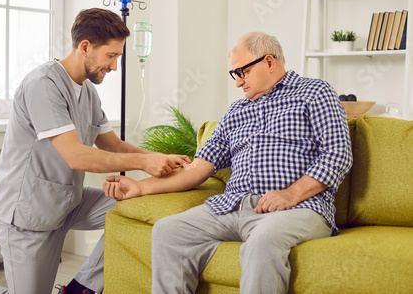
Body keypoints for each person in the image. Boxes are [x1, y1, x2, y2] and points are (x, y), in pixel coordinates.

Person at [0, 8, 190, 294]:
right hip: (29, 213)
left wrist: (159, 160)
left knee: (143, 208)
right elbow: (76, 156)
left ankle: (81, 288)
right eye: (111, 56)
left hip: (70, 201)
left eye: (118, 57)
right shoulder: (44, 84)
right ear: (85, 47)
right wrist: (145, 161)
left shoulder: (88, 92)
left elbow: (112, 144)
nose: (115, 67)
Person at [103, 32, 353, 293]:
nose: (238, 83)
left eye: (242, 72)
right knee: (168, 230)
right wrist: (141, 187)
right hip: (232, 206)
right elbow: (199, 167)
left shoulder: (315, 92)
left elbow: (338, 154)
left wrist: (290, 194)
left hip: (298, 208)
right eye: (234, 74)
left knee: (263, 241)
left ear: (269, 62)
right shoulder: (236, 112)